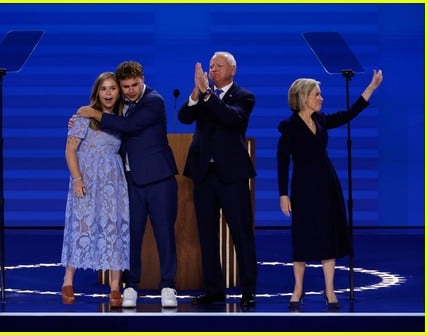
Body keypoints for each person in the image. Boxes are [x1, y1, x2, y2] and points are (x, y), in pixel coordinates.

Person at [75, 61, 179, 308]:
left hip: (159, 180)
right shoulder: (121, 105)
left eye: (135, 84)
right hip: (130, 181)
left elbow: (129, 126)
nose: (131, 91)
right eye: (126, 87)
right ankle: (131, 285)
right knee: (130, 235)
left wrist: (94, 114)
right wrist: (79, 121)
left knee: (164, 234)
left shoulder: (155, 101)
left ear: (142, 79)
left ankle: (168, 286)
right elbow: (106, 116)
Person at [277, 69, 383, 311]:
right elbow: (282, 161)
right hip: (303, 186)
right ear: (304, 97)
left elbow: (348, 114)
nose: (321, 98)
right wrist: (283, 193)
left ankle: (330, 290)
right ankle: (298, 289)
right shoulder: (289, 126)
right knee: (302, 237)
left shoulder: (321, 120)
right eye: (317, 94)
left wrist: (371, 88)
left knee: (327, 235)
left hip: (326, 183)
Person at [177, 51, 258, 308]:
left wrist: (208, 95)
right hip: (204, 175)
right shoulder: (202, 96)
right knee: (207, 236)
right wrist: (194, 94)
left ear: (232, 70)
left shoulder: (244, 97)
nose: (213, 70)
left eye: (218, 66)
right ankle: (214, 290)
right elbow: (184, 117)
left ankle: (248, 291)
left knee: (241, 235)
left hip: (232, 176)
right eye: (210, 66)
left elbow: (231, 118)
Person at [61, 72, 130, 308]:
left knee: (114, 229)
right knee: (81, 226)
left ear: (119, 92)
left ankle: (114, 288)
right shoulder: (82, 117)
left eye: (112, 88)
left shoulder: (123, 118)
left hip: (112, 183)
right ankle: (68, 281)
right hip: (87, 180)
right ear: (97, 92)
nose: (108, 93)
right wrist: (77, 179)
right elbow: (70, 150)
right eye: (104, 89)